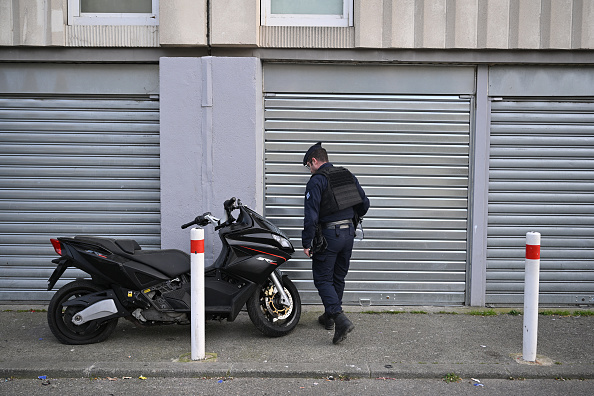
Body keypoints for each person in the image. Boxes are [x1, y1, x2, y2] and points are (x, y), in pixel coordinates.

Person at [301, 142, 370, 344]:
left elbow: (311, 216)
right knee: (338, 277)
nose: (309, 169)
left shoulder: (317, 181)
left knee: (322, 279)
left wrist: (307, 242)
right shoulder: (346, 175)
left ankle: (339, 319)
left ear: (314, 161)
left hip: (329, 236)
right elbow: (364, 204)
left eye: (308, 165)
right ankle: (329, 317)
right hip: (348, 234)